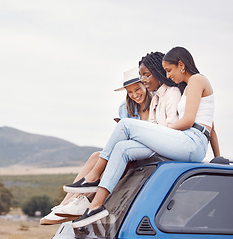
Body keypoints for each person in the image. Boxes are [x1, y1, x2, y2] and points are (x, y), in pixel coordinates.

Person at [68, 46, 217, 228]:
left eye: (169, 70)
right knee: (122, 149)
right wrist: (218, 158)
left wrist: (160, 131)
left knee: (125, 125)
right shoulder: (187, 89)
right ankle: (96, 206)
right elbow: (212, 127)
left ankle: (92, 176)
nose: (168, 75)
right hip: (186, 141)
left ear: (181, 64)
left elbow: (188, 121)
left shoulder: (197, 80)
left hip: (192, 142)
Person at [39, 68, 152, 225]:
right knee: (95, 156)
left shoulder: (155, 105)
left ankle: (82, 202)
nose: (134, 95)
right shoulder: (125, 108)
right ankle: (64, 206)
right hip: (127, 149)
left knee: (113, 158)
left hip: (143, 151)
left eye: (137, 89)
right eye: (130, 92)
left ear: (145, 86)